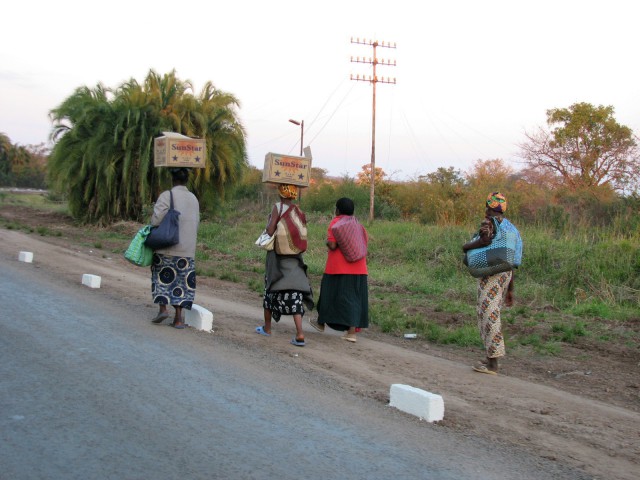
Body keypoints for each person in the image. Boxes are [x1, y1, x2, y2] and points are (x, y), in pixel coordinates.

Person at [462, 192, 518, 374]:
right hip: (505, 276)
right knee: (492, 313)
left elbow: (484, 241)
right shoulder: (511, 229)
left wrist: (466, 247)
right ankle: (490, 358)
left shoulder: (489, 224)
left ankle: (492, 363)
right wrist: (510, 289)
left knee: (488, 314)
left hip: (491, 276)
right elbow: (512, 261)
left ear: (489, 207)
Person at [255, 183, 313, 346]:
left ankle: (267, 328)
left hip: (277, 258)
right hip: (295, 258)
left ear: (281, 194)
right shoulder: (299, 211)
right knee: (295, 294)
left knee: (271, 290)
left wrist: (268, 223)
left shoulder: (277, 207)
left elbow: (270, 231)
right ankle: (300, 334)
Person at [310, 197, 369, 343]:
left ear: (337, 210)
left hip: (337, 267)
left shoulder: (336, 223)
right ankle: (351, 332)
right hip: (359, 268)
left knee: (328, 295)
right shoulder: (358, 224)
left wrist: (326, 241)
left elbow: (332, 245)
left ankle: (321, 323)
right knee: (353, 299)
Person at [149, 167, 200, 329]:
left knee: (162, 278)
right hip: (187, 249)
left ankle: (163, 309)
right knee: (181, 284)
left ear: (173, 179)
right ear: (186, 180)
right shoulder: (194, 199)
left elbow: (156, 220)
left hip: (166, 246)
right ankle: (178, 319)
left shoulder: (167, 195)